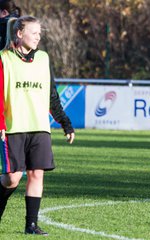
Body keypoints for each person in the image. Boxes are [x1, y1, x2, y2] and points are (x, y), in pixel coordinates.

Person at [0, 16, 75, 235]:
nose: (38, 37)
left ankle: (31, 225)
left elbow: (51, 94)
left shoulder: (43, 58)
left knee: (36, 174)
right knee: (11, 179)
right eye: (34, 33)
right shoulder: (4, 58)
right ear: (19, 33)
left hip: (39, 127)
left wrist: (65, 122)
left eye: (40, 34)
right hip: (13, 128)